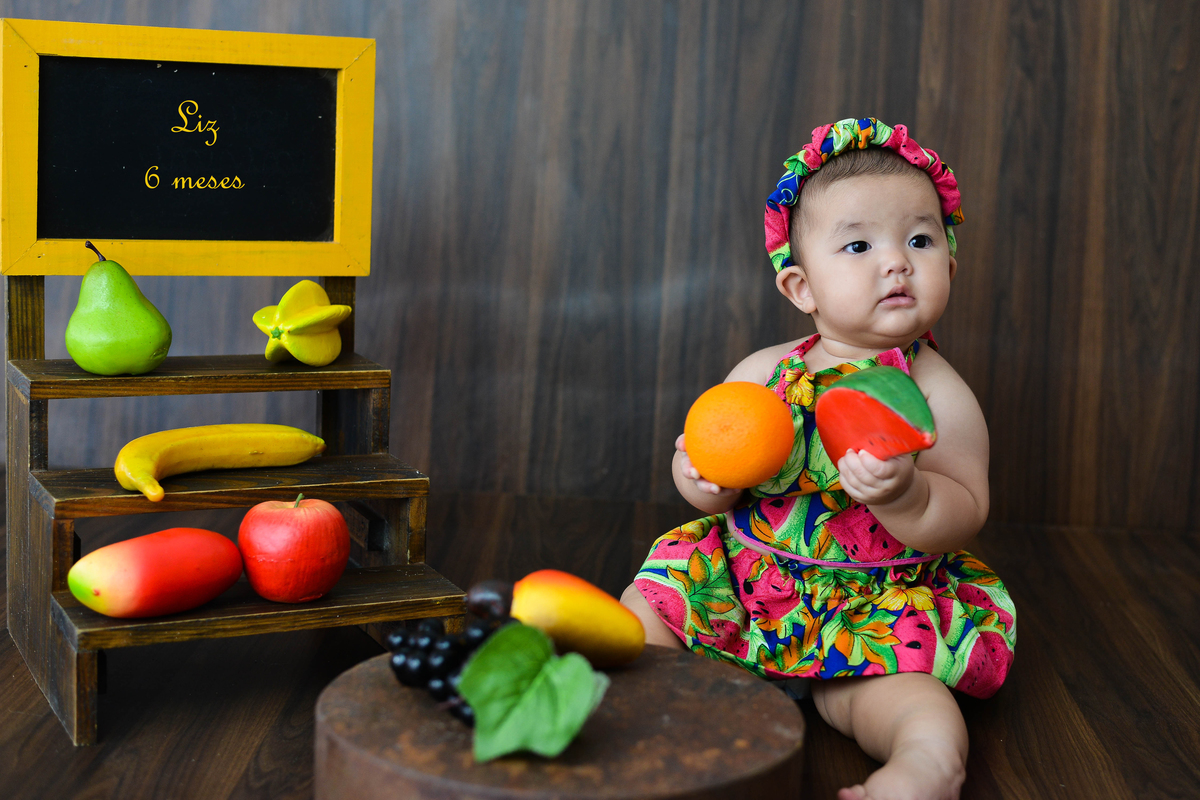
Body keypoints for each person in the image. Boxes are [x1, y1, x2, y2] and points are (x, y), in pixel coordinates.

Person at [621, 118, 1015, 800]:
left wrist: (908, 498)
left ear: (947, 267)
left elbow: (967, 509)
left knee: (913, 700)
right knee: (646, 608)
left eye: (919, 240)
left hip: (869, 608)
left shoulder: (936, 392)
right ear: (800, 288)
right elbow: (718, 481)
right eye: (859, 244)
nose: (896, 261)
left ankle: (924, 769)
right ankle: (632, 712)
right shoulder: (762, 372)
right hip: (746, 584)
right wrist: (701, 480)